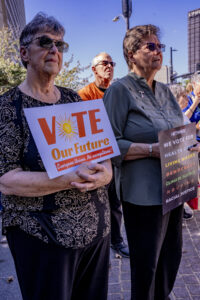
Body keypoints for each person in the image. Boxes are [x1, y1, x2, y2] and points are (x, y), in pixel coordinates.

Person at [0, 13, 112, 300]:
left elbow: (103, 156)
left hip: (95, 235)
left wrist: (107, 173)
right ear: (24, 52)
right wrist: (67, 179)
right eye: (45, 41)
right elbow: (7, 181)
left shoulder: (74, 99)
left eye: (60, 45)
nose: (54, 50)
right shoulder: (8, 107)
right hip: (43, 240)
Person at [104, 24, 185, 300]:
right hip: (143, 196)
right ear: (130, 54)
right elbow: (108, 145)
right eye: (150, 46)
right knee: (146, 269)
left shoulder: (164, 91)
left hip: (174, 188)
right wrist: (152, 149)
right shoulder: (119, 91)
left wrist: (189, 146)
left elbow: (177, 131)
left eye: (159, 46)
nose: (157, 51)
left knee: (170, 261)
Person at [78, 52, 129, 257]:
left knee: (115, 203)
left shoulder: (117, 92)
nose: (109, 66)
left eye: (111, 63)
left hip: (116, 156)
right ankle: (93, 247)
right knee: (94, 204)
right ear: (94, 69)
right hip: (94, 157)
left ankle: (116, 241)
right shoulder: (84, 94)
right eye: (104, 63)